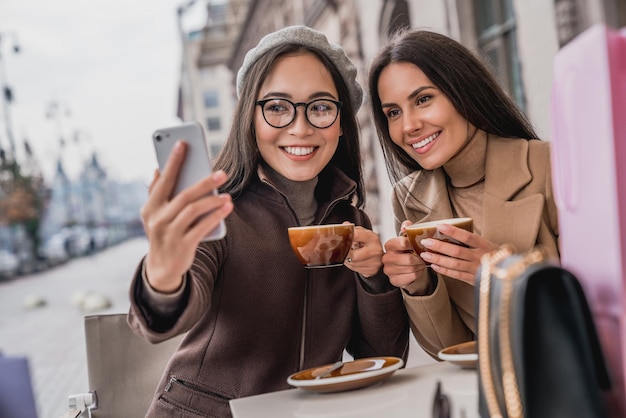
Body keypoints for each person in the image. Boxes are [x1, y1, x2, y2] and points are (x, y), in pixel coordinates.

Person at [128, 25, 409, 418]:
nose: (300, 127)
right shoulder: (220, 209)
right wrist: (162, 273)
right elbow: (162, 322)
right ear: (250, 118)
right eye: (277, 107)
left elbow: (383, 357)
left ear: (342, 122)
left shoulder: (351, 221)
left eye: (321, 107)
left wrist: (375, 281)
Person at [367, 28, 559, 358]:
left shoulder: (549, 165)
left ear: (463, 90)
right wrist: (418, 284)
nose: (408, 125)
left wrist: (503, 275)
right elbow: (450, 349)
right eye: (393, 113)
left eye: (423, 99)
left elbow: (602, 299)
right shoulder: (408, 199)